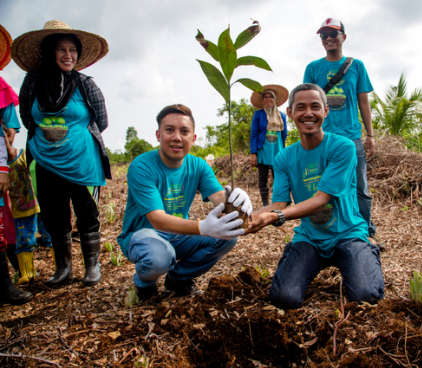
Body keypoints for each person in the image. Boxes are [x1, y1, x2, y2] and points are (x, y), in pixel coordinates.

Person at [247, 84, 384, 310]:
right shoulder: (284, 157)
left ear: (326, 111)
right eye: (300, 107)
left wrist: (275, 217)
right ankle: (301, 257)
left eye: (315, 107)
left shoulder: (343, 147)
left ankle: (365, 251)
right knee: (284, 299)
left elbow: (321, 200)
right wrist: (247, 218)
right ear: (290, 113)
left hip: (348, 233)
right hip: (310, 237)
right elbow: (279, 202)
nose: (308, 113)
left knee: (365, 296)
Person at [117, 104, 253, 301]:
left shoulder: (198, 166)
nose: (177, 137)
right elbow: (157, 219)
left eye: (184, 131)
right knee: (161, 256)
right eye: (169, 130)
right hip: (142, 236)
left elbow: (219, 198)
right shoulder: (142, 166)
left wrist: (236, 197)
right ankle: (144, 285)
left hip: (178, 235)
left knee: (228, 237)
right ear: (158, 135)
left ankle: (178, 279)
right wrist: (203, 227)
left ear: (193, 138)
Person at [12, 20, 110, 287]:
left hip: (82, 160)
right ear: (48, 52)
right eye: (61, 49)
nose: (68, 55)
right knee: (55, 215)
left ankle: (92, 266)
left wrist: (72, 138)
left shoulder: (85, 84)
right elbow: (27, 119)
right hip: (45, 159)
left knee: (87, 212)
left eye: (73, 50)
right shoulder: (32, 83)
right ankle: (63, 269)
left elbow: (101, 120)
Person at [303, 18, 384, 251]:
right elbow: (307, 103)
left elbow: (363, 101)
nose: (328, 38)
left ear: (343, 37)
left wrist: (370, 135)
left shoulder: (356, 66)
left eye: (333, 34)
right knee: (323, 187)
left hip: (352, 138)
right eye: (323, 35)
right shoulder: (313, 68)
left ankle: (366, 231)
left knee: (360, 187)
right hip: (323, 139)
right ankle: (328, 232)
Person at [0, 23, 33, 305]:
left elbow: (9, 131)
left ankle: (5, 284)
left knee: (3, 225)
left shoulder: (2, 89)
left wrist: (3, 166)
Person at [4, 126, 53, 284]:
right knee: (24, 240)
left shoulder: (23, 154)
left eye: (6, 136)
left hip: (38, 203)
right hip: (20, 209)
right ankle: (27, 273)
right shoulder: (1, 164)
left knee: (50, 234)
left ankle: (61, 266)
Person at [250, 85, 288, 207]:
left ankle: (278, 201)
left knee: (279, 177)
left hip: (277, 149)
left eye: (270, 97)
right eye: (265, 97)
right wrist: (253, 153)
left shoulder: (281, 116)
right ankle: (265, 203)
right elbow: (254, 134)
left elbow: (284, 134)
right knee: (263, 178)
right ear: (262, 100)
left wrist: (283, 150)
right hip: (263, 150)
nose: (268, 99)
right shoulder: (258, 114)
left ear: (275, 99)